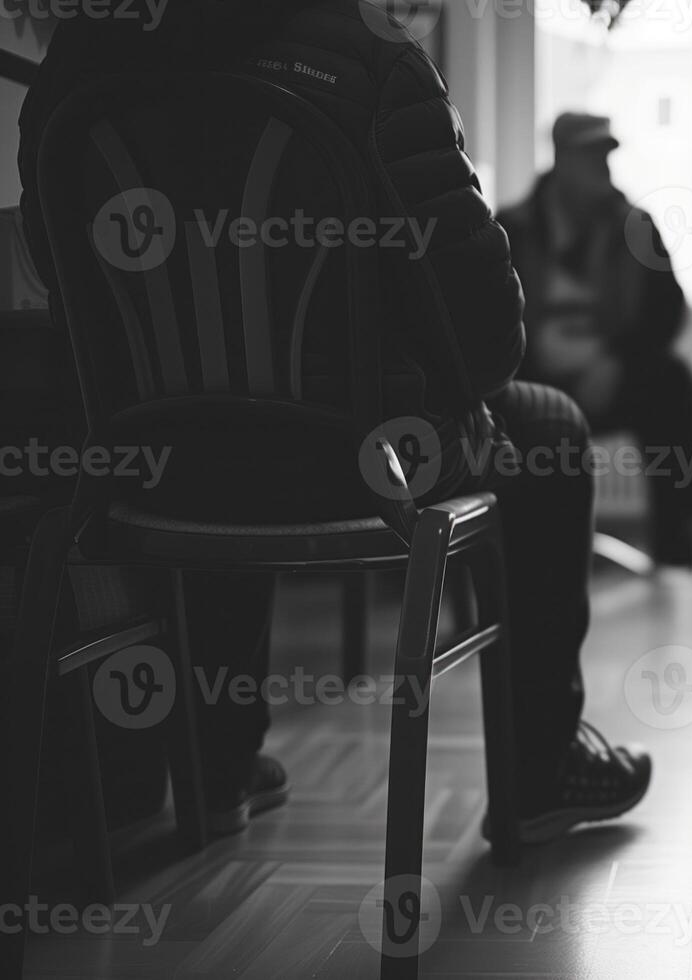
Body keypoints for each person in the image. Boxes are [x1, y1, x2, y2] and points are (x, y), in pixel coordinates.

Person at [18, 0, 651, 843]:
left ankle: (215, 768)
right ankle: (539, 773)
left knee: (214, 433)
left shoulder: (76, 60)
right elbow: (488, 339)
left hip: (147, 461)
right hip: (358, 461)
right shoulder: (370, 59)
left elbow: (59, 275)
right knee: (550, 429)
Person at [499, 114, 692, 569]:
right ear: (561, 160)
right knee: (495, 406)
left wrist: (616, 361)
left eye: (606, 155)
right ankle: (521, 554)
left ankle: (675, 551)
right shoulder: (510, 228)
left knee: (675, 386)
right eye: (590, 156)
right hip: (532, 379)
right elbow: (488, 319)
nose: (602, 166)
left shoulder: (637, 226)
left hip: (613, 378)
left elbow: (666, 312)